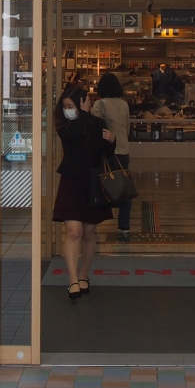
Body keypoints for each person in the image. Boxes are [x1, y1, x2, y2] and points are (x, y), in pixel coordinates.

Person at [51, 83, 116, 300]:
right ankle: (72, 280)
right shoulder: (64, 125)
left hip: (92, 183)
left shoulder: (97, 123)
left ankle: (84, 275)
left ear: (81, 104)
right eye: (65, 106)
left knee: (89, 232)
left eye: (71, 106)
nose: (67, 110)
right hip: (71, 181)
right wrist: (84, 115)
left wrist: (112, 140)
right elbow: (73, 138)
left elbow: (106, 152)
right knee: (74, 232)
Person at [91, 72, 133, 241]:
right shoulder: (124, 105)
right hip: (123, 150)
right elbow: (127, 128)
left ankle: (93, 223)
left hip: (106, 152)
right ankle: (124, 226)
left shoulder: (99, 104)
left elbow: (95, 128)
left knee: (100, 187)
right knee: (124, 189)